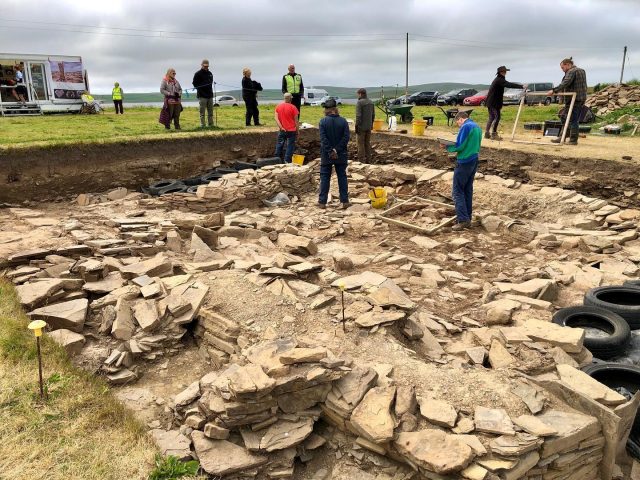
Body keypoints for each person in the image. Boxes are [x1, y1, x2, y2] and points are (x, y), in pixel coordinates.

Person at [445, 111, 482, 230]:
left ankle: (463, 220)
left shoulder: (466, 126)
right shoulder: (477, 127)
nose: (459, 125)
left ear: (460, 119)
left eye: (458, 123)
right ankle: (468, 216)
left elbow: (460, 145)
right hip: (474, 159)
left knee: (457, 191)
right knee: (467, 189)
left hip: (464, 161)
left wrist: (446, 146)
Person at [546, 57, 587, 145]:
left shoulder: (571, 71)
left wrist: (554, 90)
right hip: (580, 98)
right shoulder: (581, 70)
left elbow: (565, 83)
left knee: (572, 119)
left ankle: (572, 140)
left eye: (562, 68)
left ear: (568, 65)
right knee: (565, 117)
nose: (562, 70)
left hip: (574, 99)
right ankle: (563, 137)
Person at [318, 98, 350, 209]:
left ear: (327, 110)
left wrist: (330, 151)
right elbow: (346, 138)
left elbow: (323, 139)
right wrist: (337, 150)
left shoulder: (323, 122)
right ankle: (345, 201)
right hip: (341, 154)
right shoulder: (343, 121)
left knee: (325, 176)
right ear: (335, 109)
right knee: (342, 176)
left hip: (327, 154)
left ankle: (322, 202)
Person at [484, 66, 526, 140]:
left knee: (491, 118)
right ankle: (494, 134)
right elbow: (509, 84)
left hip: (491, 102)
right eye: (504, 71)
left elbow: (507, 84)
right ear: (501, 72)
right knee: (497, 117)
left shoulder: (498, 79)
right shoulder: (499, 80)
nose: (506, 72)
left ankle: (487, 134)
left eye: (505, 71)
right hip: (494, 103)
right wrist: (521, 86)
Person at [274, 93, 299, 163]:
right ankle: (287, 160)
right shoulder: (293, 107)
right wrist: (298, 130)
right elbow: (296, 121)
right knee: (290, 146)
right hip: (291, 131)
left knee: (279, 144)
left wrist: (281, 127)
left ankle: (276, 160)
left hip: (282, 130)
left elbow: (276, 118)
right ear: (291, 98)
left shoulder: (278, 106)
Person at [355, 88, 375, 163]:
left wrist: (357, 126)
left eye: (358, 94)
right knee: (367, 143)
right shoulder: (371, 102)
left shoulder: (359, 103)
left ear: (360, 94)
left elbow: (358, 116)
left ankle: (361, 162)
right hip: (369, 126)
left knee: (360, 144)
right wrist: (371, 124)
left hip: (361, 127)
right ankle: (369, 161)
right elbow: (373, 115)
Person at [192, 59, 213, 128]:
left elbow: (211, 83)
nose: (206, 67)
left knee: (210, 112)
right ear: (202, 65)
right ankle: (203, 125)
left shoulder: (210, 73)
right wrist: (200, 90)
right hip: (202, 96)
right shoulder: (197, 74)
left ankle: (211, 125)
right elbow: (194, 83)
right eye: (205, 66)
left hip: (210, 95)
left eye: (207, 66)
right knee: (202, 113)